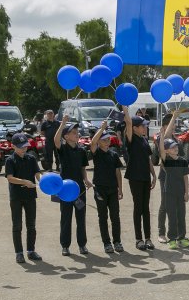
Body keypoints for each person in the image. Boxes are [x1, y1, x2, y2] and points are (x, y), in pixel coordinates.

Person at [54, 116, 92, 256]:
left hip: (79, 190)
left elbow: (83, 168)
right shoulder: (62, 149)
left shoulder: (81, 150)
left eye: (77, 132)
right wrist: (63, 123)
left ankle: (82, 245)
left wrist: (86, 180)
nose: (77, 134)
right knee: (66, 218)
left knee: (81, 217)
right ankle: (65, 246)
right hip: (65, 190)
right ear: (66, 136)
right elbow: (55, 140)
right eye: (74, 133)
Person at [122, 106, 157, 251]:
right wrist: (125, 110)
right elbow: (128, 123)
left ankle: (148, 238)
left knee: (146, 208)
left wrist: (154, 175)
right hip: (135, 177)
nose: (144, 128)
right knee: (138, 208)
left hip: (145, 177)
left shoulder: (143, 140)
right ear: (135, 128)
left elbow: (148, 159)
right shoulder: (130, 139)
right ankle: (139, 239)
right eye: (142, 126)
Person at [5, 133, 42, 263]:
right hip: (16, 197)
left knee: (31, 225)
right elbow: (10, 178)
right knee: (17, 225)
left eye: (25, 146)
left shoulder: (31, 158)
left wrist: (43, 181)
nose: (24, 149)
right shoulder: (10, 160)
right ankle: (19, 253)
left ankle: (31, 251)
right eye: (20, 147)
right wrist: (25, 182)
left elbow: (37, 173)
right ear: (13, 146)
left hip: (30, 196)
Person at [90, 121, 124, 253]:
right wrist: (101, 128)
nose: (107, 141)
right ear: (99, 141)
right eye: (104, 139)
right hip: (100, 189)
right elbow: (92, 143)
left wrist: (120, 189)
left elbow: (118, 173)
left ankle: (117, 242)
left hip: (112, 189)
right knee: (102, 216)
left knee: (115, 216)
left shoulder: (114, 154)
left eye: (108, 139)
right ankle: (107, 243)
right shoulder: (96, 152)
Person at [159, 115, 189, 250]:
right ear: (166, 150)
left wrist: (187, 192)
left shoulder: (183, 160)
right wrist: (161, 137)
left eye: (176, 147)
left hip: (180, 192)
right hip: (169, 192)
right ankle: (171, 238)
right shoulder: (167, 161)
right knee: (171, 215)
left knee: (181, 215)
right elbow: (161, 150)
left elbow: (185, 177)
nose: (175, 149)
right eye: (172, 148)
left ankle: (181, 237)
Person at [156, 113, 179, 243]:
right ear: (164, 126)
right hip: (165, 176)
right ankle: (161, 233)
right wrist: (174, 117)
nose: (174, 126)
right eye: (171, 123)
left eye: (174, 123)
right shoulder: (161, 138)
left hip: (176, 175)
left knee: (175, 205)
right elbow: (166, 136)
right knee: (164, 204)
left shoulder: (175, 138)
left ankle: (174, 233)